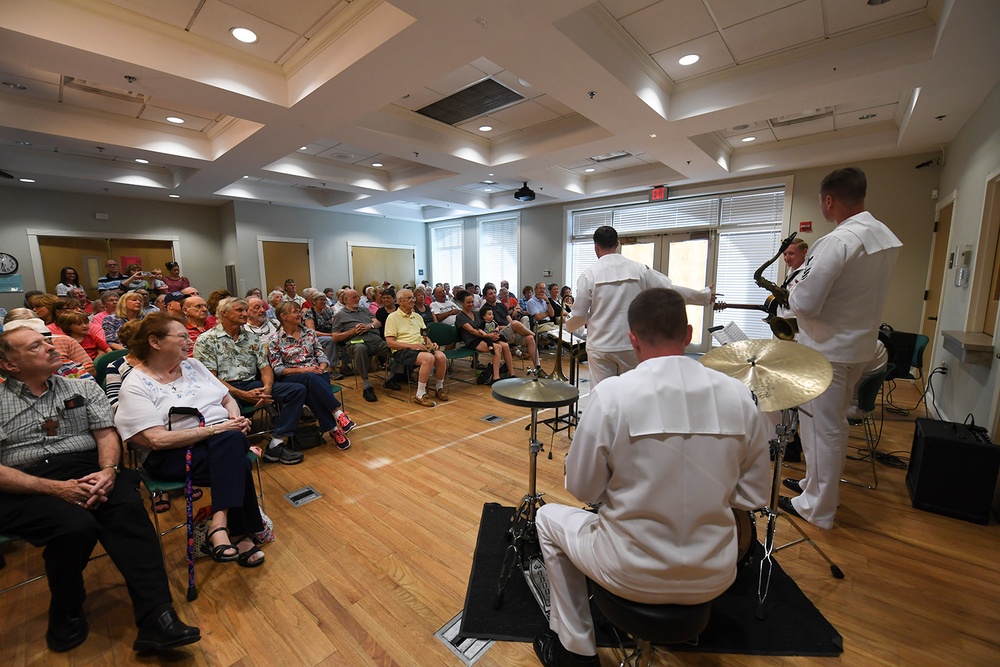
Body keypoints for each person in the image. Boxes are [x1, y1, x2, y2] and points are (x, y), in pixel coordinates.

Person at [532, 288, 771, 666]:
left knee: (546, 518)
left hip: (629, 569)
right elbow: (754, 495)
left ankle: (574, 648)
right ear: (689, 333)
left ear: (632, 338)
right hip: (714, 571)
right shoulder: (739, 396)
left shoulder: (612, 395)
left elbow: (582, 489)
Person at [0, 327, 201, 653]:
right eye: (37, 346)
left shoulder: (82, 387)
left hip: (88, 469)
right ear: (10, 365)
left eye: (48, 340)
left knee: (127, 511)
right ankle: (66, 608)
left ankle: (157, 616)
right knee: (74, 525)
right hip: (24, 480)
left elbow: (106, 435)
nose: (52, 347)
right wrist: (53, 488)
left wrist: (108, 470)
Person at [780, 167, 902, 529]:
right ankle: (812, 486)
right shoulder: (884, 236)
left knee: (823, 428)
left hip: (826, 351)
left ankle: (818, 507)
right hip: (857, 347)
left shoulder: (838, 241)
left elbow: (805, 303)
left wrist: (795, 288)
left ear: (829, 200)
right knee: (825, 425)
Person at [114, 313, 267, 567]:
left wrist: (235, 418)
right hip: (171, 454)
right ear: (155, 342)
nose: (190, 340)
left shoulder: (194, 366)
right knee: (236, 458)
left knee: (229, 441)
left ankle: (220, 526)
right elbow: (156, 440)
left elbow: (226, 397)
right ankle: (238, 532)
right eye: (182, 336)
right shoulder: (135, 384)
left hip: (219, 444)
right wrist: (216, 430)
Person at [564, 225, 713, 388]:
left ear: (596, 247)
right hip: (632, 345)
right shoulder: (639, 269)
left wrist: (568, 327)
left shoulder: (589, 274)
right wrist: (703, 296)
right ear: (618, 244)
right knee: (635, 393)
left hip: (601, 346)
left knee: (602, 395)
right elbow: (669, 290)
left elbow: (579, 315)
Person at [193, 298, 306, 465]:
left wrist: (267, 388)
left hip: (251, 384)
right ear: (224, 313)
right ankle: (236, 453)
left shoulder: (251, 338)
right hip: (223, 390)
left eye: (245, 310)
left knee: (296, 390)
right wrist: (242, 394)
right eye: (239, 310)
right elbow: (211, 378)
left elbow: (265, 367)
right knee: (230, 411)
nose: (245, 314)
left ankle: (276, 443)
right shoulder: (207, 340)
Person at [269, 302, 355, 450]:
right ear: (283, 317)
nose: (299, 314)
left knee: (309, 388)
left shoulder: (309, 333)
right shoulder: (275, 339)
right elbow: (278, 369)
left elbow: (321, 355)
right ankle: (337, 413)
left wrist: (322, 367)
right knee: (310, 378)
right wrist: (305, 370)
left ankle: (334, 430)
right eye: (295, 312)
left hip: (317, 375)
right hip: (293, 375)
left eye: (299, 311)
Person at [384, 289, 448, 407]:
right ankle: (420, 394)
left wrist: (431, 343)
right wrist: (412, 346)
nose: (413, 300)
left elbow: (424, 336)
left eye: (413, 297)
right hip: (402, 350)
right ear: (400, 301)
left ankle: (439, 387)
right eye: (409, 298)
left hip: (420, 348)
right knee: (428, 358)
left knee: (441, 356)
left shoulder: (417, 316)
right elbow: (390, 343)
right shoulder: (392, 317)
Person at [330, 289, 394, 402]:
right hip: (357, 342)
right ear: (346, 300)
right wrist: (353, 332)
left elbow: (378, 323)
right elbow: (335, 337)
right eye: (354, 297)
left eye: (358, 296)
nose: (358, 299)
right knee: (360, 348)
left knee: (395, 347)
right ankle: (366, 385)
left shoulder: (364, 310)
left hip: (376, 341)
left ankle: (391, 377)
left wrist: (369, 326)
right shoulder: (340, 315)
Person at [455, 289, 513, 385]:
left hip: (484, 338)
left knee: (505, 345)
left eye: (472, 302)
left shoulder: (476, 314)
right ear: (462, 303)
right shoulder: (460, 316)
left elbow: (486, 325)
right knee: (497, 348)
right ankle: (496, 378)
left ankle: (511, 374)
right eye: (468, 302)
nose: (471, 304)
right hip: (472, 341)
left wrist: (492, 334)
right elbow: (472, 331)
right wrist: (488, 335)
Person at [480, 286, 541, 371]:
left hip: (511, 330)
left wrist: (513, 327)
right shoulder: (485, 310)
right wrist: (511, 327)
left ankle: (538, 367)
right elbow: (491, 327)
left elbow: (509, 320)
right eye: (490, 294)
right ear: (485, 297)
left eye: (494, 293)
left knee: (529, 337)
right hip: (499, 334)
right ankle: (533, 334)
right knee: (516, 324)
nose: (494, 295)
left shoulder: (501, 305)